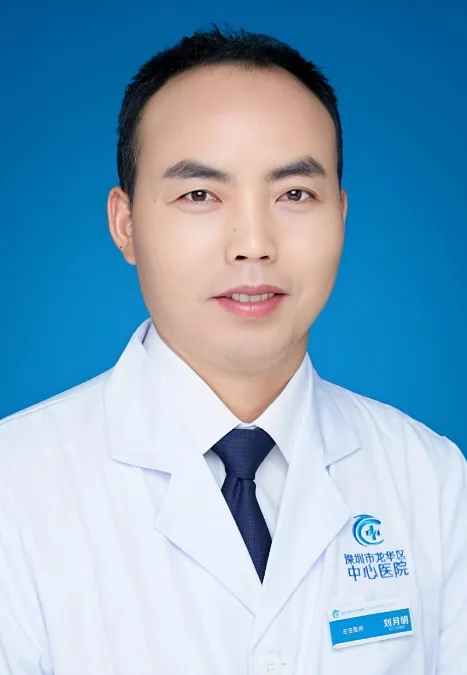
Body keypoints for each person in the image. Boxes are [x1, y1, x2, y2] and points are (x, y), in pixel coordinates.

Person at [0, 25, 465, 675]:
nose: (252, 244)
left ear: (340, 213)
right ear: (125, 224)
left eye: (294, 194)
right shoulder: (16, 487)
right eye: (200, 195)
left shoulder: (430, 478)